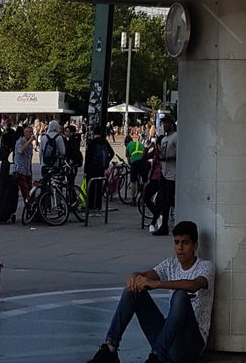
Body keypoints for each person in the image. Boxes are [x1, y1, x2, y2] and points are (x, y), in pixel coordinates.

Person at [85, 220, 214, 363]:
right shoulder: (170, 264)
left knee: (180, 295)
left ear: (195, 246)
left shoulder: (206, 266)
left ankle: (157, 355)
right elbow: (147, 275)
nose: (180, 248)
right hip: (168, 339)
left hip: (190, 344)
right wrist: (135, 277)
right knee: (134, 290)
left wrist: (158, 284)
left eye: (185, 243)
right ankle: (110, 348)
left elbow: (194, 285)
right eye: (176, 242)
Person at [156, 116, 177, 236]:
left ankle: (167, 224)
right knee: (164, 200)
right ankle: (164, 225)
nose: (164, 126)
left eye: (166, 123)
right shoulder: (164, 139)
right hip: (165, 172)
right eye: (163, 124)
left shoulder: (175, 137)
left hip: (172, 173)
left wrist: (167, 158)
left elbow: (180, 153)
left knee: (170, 199)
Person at [85, 125, 114, 211]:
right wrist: (106, 162)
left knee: (91, 187)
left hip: (92, 168)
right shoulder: (104, 141)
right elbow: (112, 153)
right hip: (101, 168)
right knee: (99, 187)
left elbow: (88, 157)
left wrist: (86, 170)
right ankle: (98, 205)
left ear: (94, 133)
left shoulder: (92, 142)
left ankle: (91, 205)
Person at [12, 125, 35, 202]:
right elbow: (20, 151)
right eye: (30, 132)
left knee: (31, 191)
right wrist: (29, 141)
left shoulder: (30, 144)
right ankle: (28, 207)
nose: (32, 134)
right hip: (20, 170)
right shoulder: (20, 141)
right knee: (26, 192)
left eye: (32, 132)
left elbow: (29, 158)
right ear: (25, 133)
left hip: (27, 171)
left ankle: (31, 207)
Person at [125, 131, 149, 202]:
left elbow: (129, 160)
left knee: (133, 181)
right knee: (145, 180)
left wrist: (130, 164)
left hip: (135, 162)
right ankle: (145, 198)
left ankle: (133, 199)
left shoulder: (128, 146)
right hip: (143, 161)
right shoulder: (139, 143)